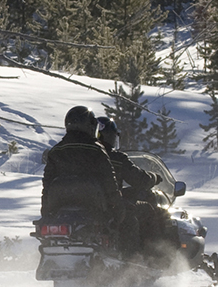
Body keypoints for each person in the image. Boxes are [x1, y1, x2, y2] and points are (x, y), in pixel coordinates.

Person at [40, 106, 128, 252]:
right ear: (90, 126)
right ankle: (127, 263)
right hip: (93, 208)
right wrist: (119, 209)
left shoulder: (56, 151)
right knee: (124, 224)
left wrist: (45, 212)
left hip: (59, 209)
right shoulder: (97, 150)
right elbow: (109, 182)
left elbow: (47, 186)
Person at [96, 116, 168, 256]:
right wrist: (154, 177)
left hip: (91, 204)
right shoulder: (114, 157)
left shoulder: (84, 155)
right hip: (110, 205)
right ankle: (149, 256)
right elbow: (139, 179)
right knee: (146, 210)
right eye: (112, 136)